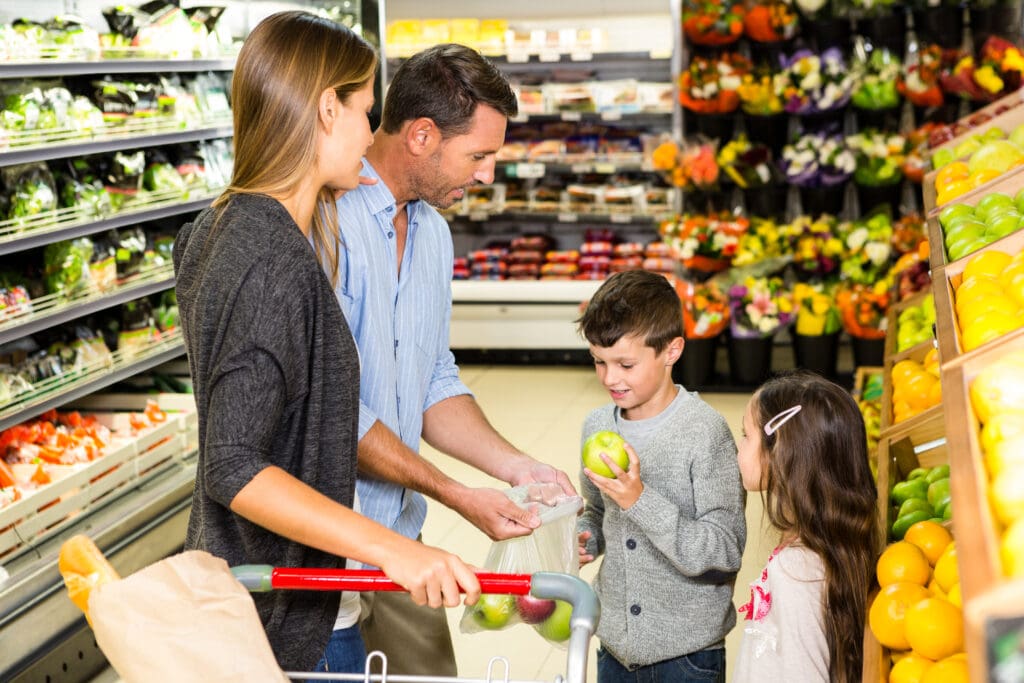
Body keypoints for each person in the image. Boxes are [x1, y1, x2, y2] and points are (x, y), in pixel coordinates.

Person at [172, 12, 481, 674]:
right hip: (288, 611)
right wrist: (392, 548)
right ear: (324, 110)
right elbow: (234, 463)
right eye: (366, 111)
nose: (374, 134)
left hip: (258, 595)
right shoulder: (272, 255)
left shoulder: (218, 227)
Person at [332, 43, 576, 676]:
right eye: (480, 156)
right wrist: (456, 494)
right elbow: (332, 409)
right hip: (326, 544)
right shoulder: (324, 221)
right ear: (421, 135)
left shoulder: (435, 235)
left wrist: (519, 467)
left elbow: (433, 381)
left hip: (401, 537)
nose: (488, 174)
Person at [574, 270, 746, 683]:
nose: (610, 378)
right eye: (599, 362)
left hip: (686, 657)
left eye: (625, 364)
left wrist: (640, 500)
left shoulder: (705, 433)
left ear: (671, 351)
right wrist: (584, 536)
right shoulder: (597, 426)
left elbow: (724, 552)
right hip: (614, 647)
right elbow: (597, 513)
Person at [732, 370, 879, 683]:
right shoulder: (824, 542)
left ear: (782, 451)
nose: (739, 448)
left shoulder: (796, 570)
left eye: (746, 436)